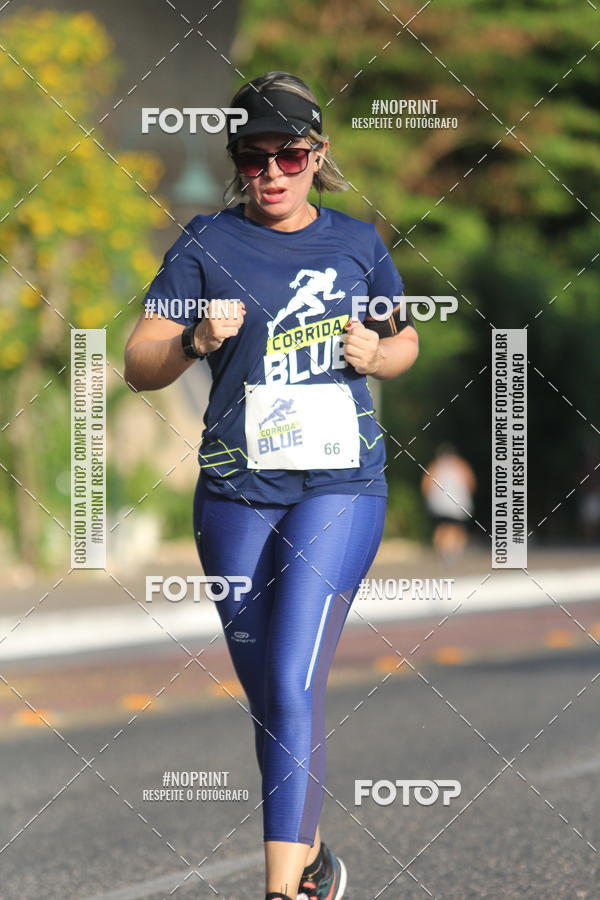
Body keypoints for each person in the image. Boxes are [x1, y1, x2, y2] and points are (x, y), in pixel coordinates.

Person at [124, 71, 419, 900]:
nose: (273, 173)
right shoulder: (204, 242)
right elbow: (138, 363)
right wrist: (189, 338)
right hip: (234, 494)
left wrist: (377, 355)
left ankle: (284, 893)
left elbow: (403, 345)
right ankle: (314, 858)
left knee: (291, 683)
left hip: (339, 485)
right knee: (268, 695)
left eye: (290, 155)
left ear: (319, 156)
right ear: (237, 162)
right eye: (254, 158)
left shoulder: (357, 244)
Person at [421, 443, 476, 559]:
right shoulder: (460, 464)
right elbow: (470, 482)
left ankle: (442, 550)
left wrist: (429, 499)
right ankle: (454, 551)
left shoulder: (435, 466)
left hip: (439, 504)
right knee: (457, 528)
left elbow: (425, 485)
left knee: (442, 527)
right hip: (457, 503)